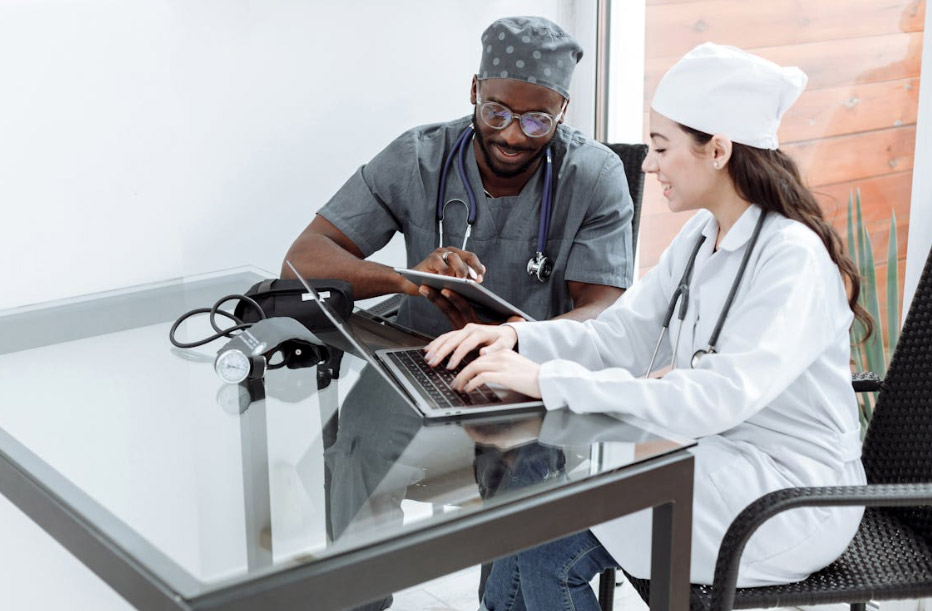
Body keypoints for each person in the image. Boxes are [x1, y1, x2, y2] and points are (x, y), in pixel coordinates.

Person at [424, 42, 871, 610]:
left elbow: (715, 399)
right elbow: (620, 336)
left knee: (546, 543)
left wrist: (547, 381)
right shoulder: (701, 238)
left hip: (786, 499)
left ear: (718, 151)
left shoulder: (793, 257)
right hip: (714, 460)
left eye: (661, 146)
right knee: (526, 515)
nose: (648, 163)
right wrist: (518, 338)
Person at [282, 16, 634, 338]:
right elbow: (301, 261)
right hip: (420, 353)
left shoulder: (594, 175)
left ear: (563, 111)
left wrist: (512, 340)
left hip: (532, 372)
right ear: (474, 91)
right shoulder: (419, 157)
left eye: (537, 120)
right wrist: (406, 280)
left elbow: (604, 311)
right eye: (496, 112)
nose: (512, 136)